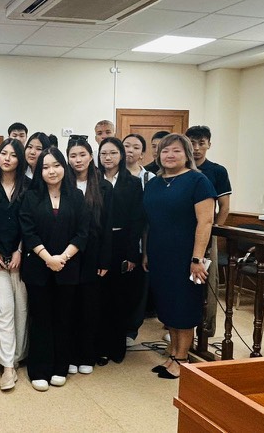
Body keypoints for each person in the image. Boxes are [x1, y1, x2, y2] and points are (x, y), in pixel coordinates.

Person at [143, 133, 215, 379]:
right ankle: (173, 353)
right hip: (159, 253)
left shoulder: (198, 181)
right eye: (165, 151)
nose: (170, 155)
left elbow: (205, 222)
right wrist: (146, 252)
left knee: (184, 306)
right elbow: (149, 222)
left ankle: (182, 359)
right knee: (167, 306)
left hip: (186, 256)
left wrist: (197, 259)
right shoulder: (154, 183)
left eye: (176, 150)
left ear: (186, 154)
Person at [19, 146, 90, 392]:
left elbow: (83, 232)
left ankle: (60, 367)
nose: (52, 171)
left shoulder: (76, 196)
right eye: (46, 167)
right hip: (38, 267)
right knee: (41, 319)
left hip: (68, 267)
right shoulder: (30, 196)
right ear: (39, 171)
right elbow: (28, 231)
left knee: (63, 318)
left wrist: (63, 257)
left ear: (64, 167)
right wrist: (48, 258)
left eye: (56, 165)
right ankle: (39, 369)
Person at [0, 138, 30, 390]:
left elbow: (31, 223)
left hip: (23, 258)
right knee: (3, 309)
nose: (7, 158)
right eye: (3, 153)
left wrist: (20, 250)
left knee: (21, 310)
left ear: (20, 159)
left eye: (12, 154)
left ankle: (18, 357)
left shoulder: (29, 187)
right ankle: (8, 366)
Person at [97, 137, 146, 365]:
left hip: (122, 242)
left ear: (121, 155)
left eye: (113, 153)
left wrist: (132, 254)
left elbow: (137, 220)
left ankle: (116, 347)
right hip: (98, 243)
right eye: (103, 153)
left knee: (119, 297)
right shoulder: (94, 180)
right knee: (99, 297)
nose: (108, 157)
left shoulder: (133, 183)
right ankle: (100, 348)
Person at [66, 138, 112, 375]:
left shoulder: (103, 186)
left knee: (90, 307)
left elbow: (108, 226)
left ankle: (87, 354)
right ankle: (70, 355)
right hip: (69, 253)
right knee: (70, 306)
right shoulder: (63, 184)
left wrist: (104, 259)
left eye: (82, 155)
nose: (78, 160)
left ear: (91, 156)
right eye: (73, 156)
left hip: (94, 254)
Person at [185, 125, 232, 338]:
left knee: (205, 281)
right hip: (181, 234)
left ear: (209, 145)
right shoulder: (179, 168)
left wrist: (213, 234)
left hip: (205, 233)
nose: (196, 148)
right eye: (192, 143)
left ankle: (205, 327)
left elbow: (224, 207)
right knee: (182, 282)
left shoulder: (217, 171)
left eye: (201, 143)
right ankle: (179, 325)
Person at [122, 133, 156, 345]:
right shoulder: (109, 175)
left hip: (141, 240)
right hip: (117, 241)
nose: (130, 150)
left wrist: (146, 250)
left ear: (142, 154)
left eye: (136, 147)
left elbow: (149, 217)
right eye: (126, 145)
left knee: (137, 289)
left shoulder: (149, 179)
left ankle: (131, 330)